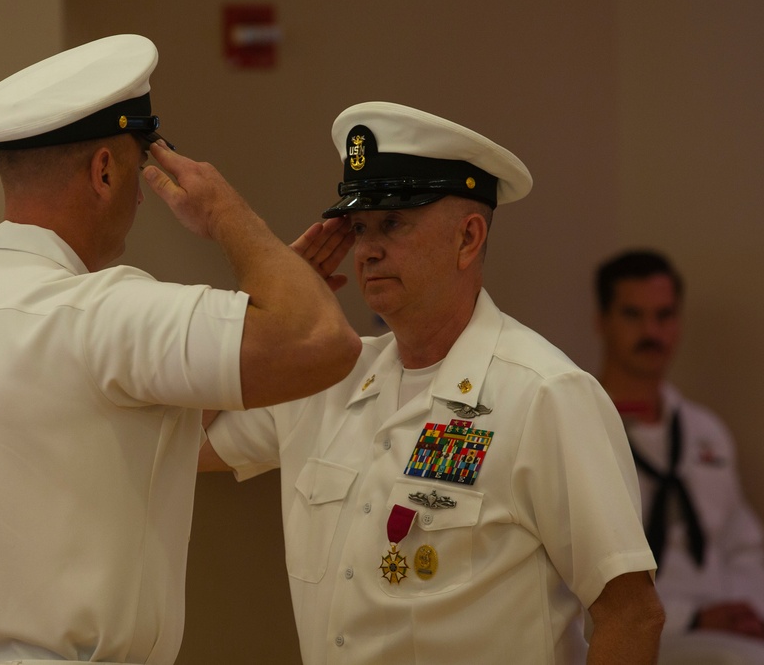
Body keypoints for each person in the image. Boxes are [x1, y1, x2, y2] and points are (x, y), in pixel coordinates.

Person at [0, 34, 361, 665]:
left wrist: (270, 305)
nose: (143, 198)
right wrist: (226, 212)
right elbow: (321, 343)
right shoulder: (111, 314)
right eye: (139, 173)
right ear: (105, 172)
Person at [200, 101, 664, 664]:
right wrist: (263, 308)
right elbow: (184, 442)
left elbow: (632, 614)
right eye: (360, 226)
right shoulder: (327, 378)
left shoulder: (545, 392)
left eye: (393, 223)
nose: (367, 249)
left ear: (468, 239)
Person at [595, 249, 764, 663]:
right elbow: (578, 569)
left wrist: (748, 611)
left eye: (665, 315)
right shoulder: (583, 427)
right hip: (636, 630)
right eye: (633, 315)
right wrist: (693, 617)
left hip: (722, 625)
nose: (651, 331)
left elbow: (742, 545)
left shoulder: (706, 432)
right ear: (603, 322)